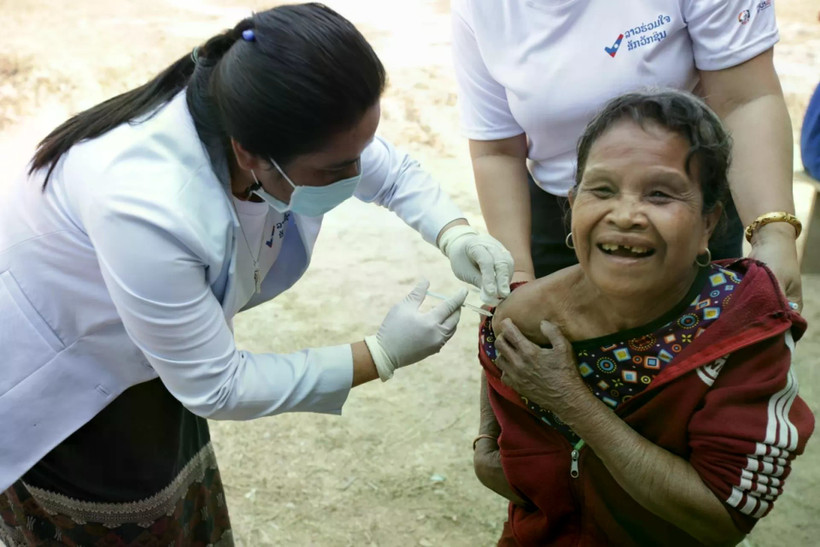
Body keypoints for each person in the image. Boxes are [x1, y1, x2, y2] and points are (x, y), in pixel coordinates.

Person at [0, 4, 514, 544]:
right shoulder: (146, 206)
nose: (357, 173)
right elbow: (217, 385)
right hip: (60, 380)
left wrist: (455, 233)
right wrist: (379, 354)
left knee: (174, 500)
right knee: (119, 517)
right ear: (250, 154)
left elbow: (388, 169)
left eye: (360, 151)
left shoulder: (268, 127)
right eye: (338, 169)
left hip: (140, 354)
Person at [472, 91, 814, 545]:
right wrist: (484, 448)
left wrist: (573, 403)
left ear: (708, 224)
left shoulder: (746, 328)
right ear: (572, 205)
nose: (626, 215)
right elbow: (496, 350)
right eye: (602, 189)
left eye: (660, 193)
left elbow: (723, 517)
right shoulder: (528, 314)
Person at [451, 0, 804, 309]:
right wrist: (519, 277)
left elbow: (745, 99)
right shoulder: (480, 7)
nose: (625, 219)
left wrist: (773, 233)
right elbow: (497, 151)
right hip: (558, 213)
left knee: (701, 365)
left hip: (683, 203)